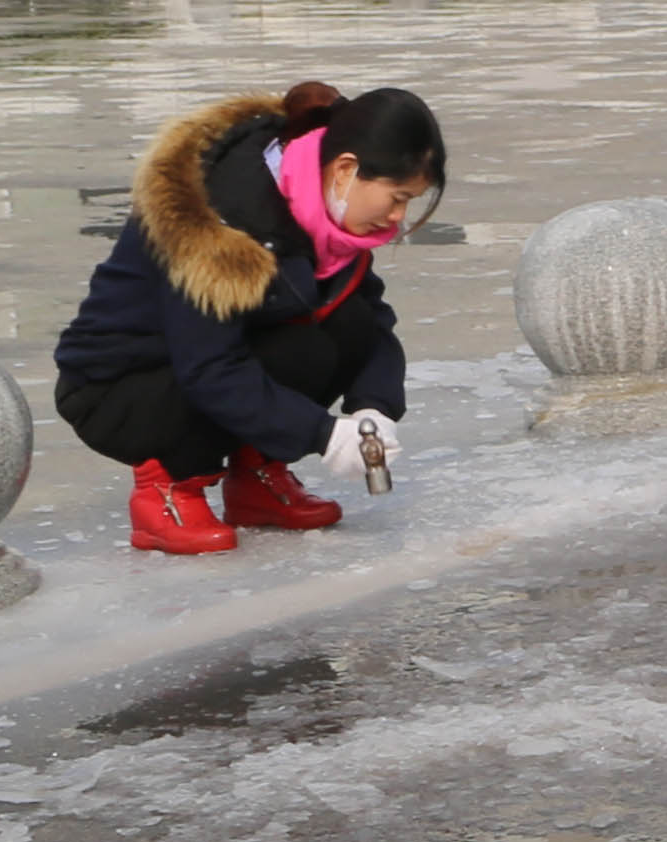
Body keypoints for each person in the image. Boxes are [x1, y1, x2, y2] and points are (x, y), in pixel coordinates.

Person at [57, 84, 443, 558]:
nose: (398, 218)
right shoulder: (223, 218)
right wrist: (322, 435)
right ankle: (166, 485)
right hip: (124, 384)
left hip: (204, 363)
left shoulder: (321, 212)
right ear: (346, 170)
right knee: (252, 355)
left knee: (346, 326)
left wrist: (374, 407)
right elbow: (208, 365)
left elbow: (371, 322)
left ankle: (256, 473)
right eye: (397, 197)